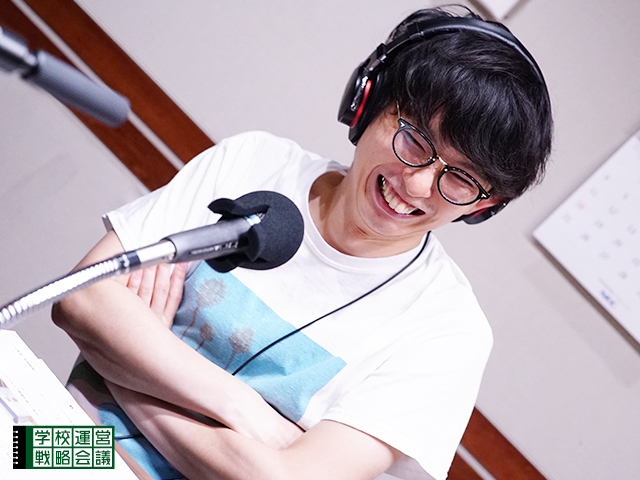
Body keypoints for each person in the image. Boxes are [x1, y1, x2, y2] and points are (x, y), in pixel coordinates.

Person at [52, 5, 552, 480]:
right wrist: (240, 408)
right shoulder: (254, 163)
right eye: (415, 140)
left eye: (461, 178)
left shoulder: (448, 330)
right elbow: (78, 299)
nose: (418, 185)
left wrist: (128, 371)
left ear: (484, 204)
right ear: (369, 102)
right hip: (58, 440)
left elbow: (283, 477)